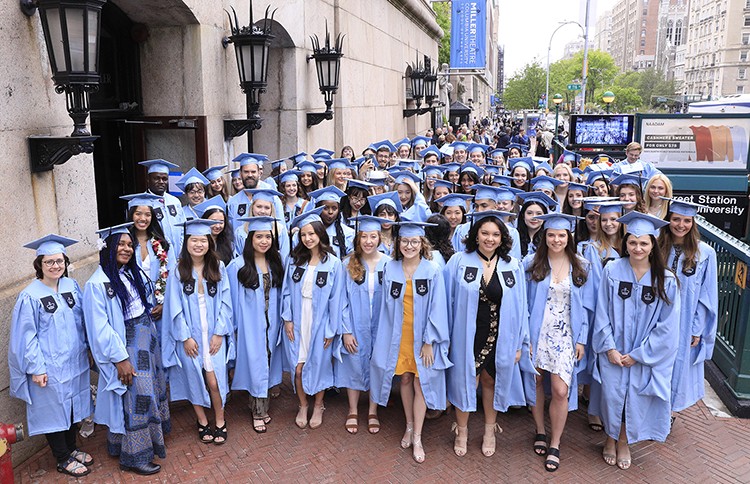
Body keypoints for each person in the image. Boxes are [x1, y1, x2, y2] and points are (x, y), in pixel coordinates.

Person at [592, 212, 680, 470]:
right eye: (632, 242)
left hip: (643, 357)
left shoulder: (666, 279)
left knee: (635, 401)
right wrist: (609, 347)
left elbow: (668, 328)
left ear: (653, 245)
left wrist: (639, 354)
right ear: (625, 243)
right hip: (614, 352)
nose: (637, 248)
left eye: (644, 243)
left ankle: (623, 442)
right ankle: (609, 437)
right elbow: (601, 311)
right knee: (611, 397)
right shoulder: (612, 270)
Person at [84, 223, 169, 475]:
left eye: (130, 245)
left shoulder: (126, 273)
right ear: (108, 248)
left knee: (148, 390)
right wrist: (121, 358)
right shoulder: (97, 283)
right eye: (120, 244)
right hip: (127, 345)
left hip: (145, 339)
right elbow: (100, 329)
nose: (127, 249)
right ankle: (134, 456)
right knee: (137, 396)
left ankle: (135, 442)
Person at [444, 212, 531, 459]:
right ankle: (461, 430)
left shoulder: (512, 265)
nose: (489, 239)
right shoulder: (460, 261)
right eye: (484, 233)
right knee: (466, 381)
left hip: (499, 333)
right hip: (466, 334)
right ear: (476, 235)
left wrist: (520, 343)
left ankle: (489, 431)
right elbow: (446, 301)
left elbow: (521, 306)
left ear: (503, 237)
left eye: (495, 234)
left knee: (490, 381)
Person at [9, 235, 93, 477]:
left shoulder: (71, 286)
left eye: (59, 261)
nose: (56, 266)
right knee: (53, 411)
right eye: (49, 262)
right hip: (49, 366)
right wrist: (36, 368)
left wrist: (87, 349)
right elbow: (26, 336)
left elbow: (81, 323)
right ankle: (62, 457)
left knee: (72, 407)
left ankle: (72, 448)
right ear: (40, 265)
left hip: (74, 361)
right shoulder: (30, 295)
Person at [369, 221, 451, 464]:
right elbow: (383, 308)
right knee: (405, 378)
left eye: (414, 241)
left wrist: (429, 341)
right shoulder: (390, 268)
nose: (409, 245)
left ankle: (418, 436)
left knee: (421, 383)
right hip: (399, 335)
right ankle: (408, 425)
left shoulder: (432, 270)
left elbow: (438, 307)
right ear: (398, 243)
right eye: (405, 241)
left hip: (423, 337)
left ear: (422, 243)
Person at [523, 214, 595, 472]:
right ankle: (540, 430)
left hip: (566, 335)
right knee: (537, 382)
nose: (556, 240)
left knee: (561, 389)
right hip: (537, 333)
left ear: (569, 237)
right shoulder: (531, 263)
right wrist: (524, 338)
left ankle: (555, 443)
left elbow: (588, 306)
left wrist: (582, 340)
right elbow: (523, 305)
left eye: (562, 235)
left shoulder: (583, 265)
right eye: (552, 235)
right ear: (545, 237)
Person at [162, 219, 233, 445]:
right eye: (194, 240)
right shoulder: (178, 269)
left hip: (212, 334)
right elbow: (174, 307)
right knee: (193, 378)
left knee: (215, 381)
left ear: (209, 243)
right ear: (187, 242)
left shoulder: (218, 267)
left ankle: (220, 420)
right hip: (191, 336)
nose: (199, 245)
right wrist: (185, 337)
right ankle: (202, 421)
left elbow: (226, 302)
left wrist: (219, 332)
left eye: (203, 240)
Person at [282, 208, 344, 430]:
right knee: (298, 367)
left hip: (321, 321)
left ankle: (318, 405)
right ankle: (302, 404)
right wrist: (287, 319)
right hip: (298, 318)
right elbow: (287, 291)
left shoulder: (333, 263)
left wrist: (331, 329)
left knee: (318, 365)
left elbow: (337, 299)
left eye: (312, 234)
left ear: (320, 235)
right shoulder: (294, 260)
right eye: (303, 235)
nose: (307, 239)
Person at [657, 198, 718, 415]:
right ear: (668, 220)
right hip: (658, 317)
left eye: (687, 220)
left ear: (693, 223)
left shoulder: (705, 253)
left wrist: (697, 328)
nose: (681, 225)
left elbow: (706, 295)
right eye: (676, 219)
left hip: (685, 319)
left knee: (679, 364)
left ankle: (670, 411)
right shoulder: (656, 245)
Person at [227, 216, 286, 433]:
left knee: (267, 361)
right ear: (250, 238)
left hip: (272, 322)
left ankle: (260, 402)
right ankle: (258, 411)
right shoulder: (237, 265)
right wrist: (234, 329)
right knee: (255, 363)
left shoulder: (276, 262)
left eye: (267, 236)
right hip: (250, 324)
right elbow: (231, 301)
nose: (264, 241)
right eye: (259, 236)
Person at [336, 216, 391, 435]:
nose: (368, 241)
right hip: (355, 325)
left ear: (379, 237)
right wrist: (346, 331)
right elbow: (341, 300)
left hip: (380, 326)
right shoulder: (347, 263)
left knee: (377, 366)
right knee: (353, 364)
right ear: (358, 239)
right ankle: (352, 410)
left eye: (373, 236)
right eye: (364, 236)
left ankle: (372, 410)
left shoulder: (389, 264)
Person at [122, 193, 176, 337]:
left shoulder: (163, 243)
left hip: (161, 307)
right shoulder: (125, 245)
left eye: (147, 214)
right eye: (138, 214)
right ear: (131, 215)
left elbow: (172, 275)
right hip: (134, 308)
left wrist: (164, 304)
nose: (143, 219)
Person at [139, 159, 187, 253]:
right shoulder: (142, 203)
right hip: (156, 256)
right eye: (156, 178)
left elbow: (183, 228)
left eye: (164, 179)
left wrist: (182, 252)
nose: (161, 182)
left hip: (179, 255)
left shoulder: (175, 201)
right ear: (148, 179)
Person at [227, 153, 285, 230]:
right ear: (240, 174)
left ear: (259, 173)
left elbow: (281, 228)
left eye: (253, 172)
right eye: (246, 172)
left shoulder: (272, 197)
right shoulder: (233, 202)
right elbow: (231, 233)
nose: (250, 175)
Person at [310, 186, 356, 258]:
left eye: (334, 208)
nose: (330, 212)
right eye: (325, 208)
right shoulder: (309, 230)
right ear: (318, 209)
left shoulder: (348, 233)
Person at [195, 195, 235, 266]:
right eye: (213, 221)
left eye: (221, 222)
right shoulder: (197, 244)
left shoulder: (229, 245)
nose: (217, 226)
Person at [516, 192, 556, 257]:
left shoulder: (549, 239)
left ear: (545, 216)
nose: (534, 217)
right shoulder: (514, 237)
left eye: (539, 213)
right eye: (529, 213)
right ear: (523, 215)